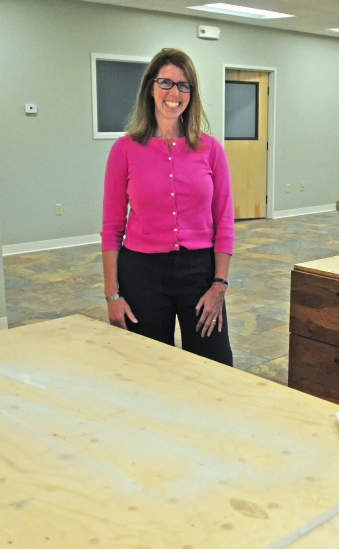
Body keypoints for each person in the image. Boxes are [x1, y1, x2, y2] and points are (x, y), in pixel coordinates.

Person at [101, 48, 234, 366]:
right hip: (142, 274)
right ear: (150, 87)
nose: (174, 93)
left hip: (199, 273)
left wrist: (219, 284)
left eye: (184, 85)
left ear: (192, 93)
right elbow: (111, 229)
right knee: (149, 370)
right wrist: (112, 296)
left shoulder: (210, 149)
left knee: (215, 367)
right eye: (166, 83)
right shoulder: (125, 149)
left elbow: (224, 221)